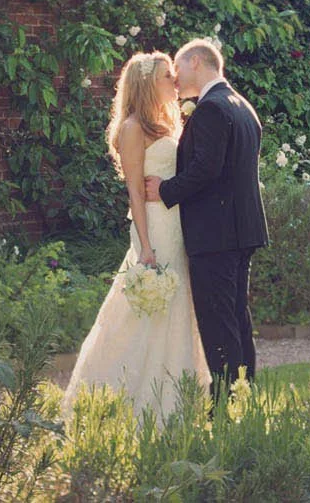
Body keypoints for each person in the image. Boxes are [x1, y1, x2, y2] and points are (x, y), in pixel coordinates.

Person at [60, 52, 209, 420]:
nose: (174, 82)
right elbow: (134, 193)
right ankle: (118, 400)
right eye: (165, 77)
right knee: (141, 311)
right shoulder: (132, 128)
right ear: (146, 84)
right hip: (154, 228)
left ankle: (177, 397)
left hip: (177, 227)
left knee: (178, 306)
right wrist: (144, 246)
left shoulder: (168, 124)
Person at [144, 37, 268, 399]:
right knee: (236, 318)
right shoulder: (242, 106)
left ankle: (226, 401)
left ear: (196, 62)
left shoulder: (212, 108)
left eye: (178, 68)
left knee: (218, 321)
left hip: (216, 234)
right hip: (242, 231)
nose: (176, 77)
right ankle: (244, 394)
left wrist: (164, 190)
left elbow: (206, 170)